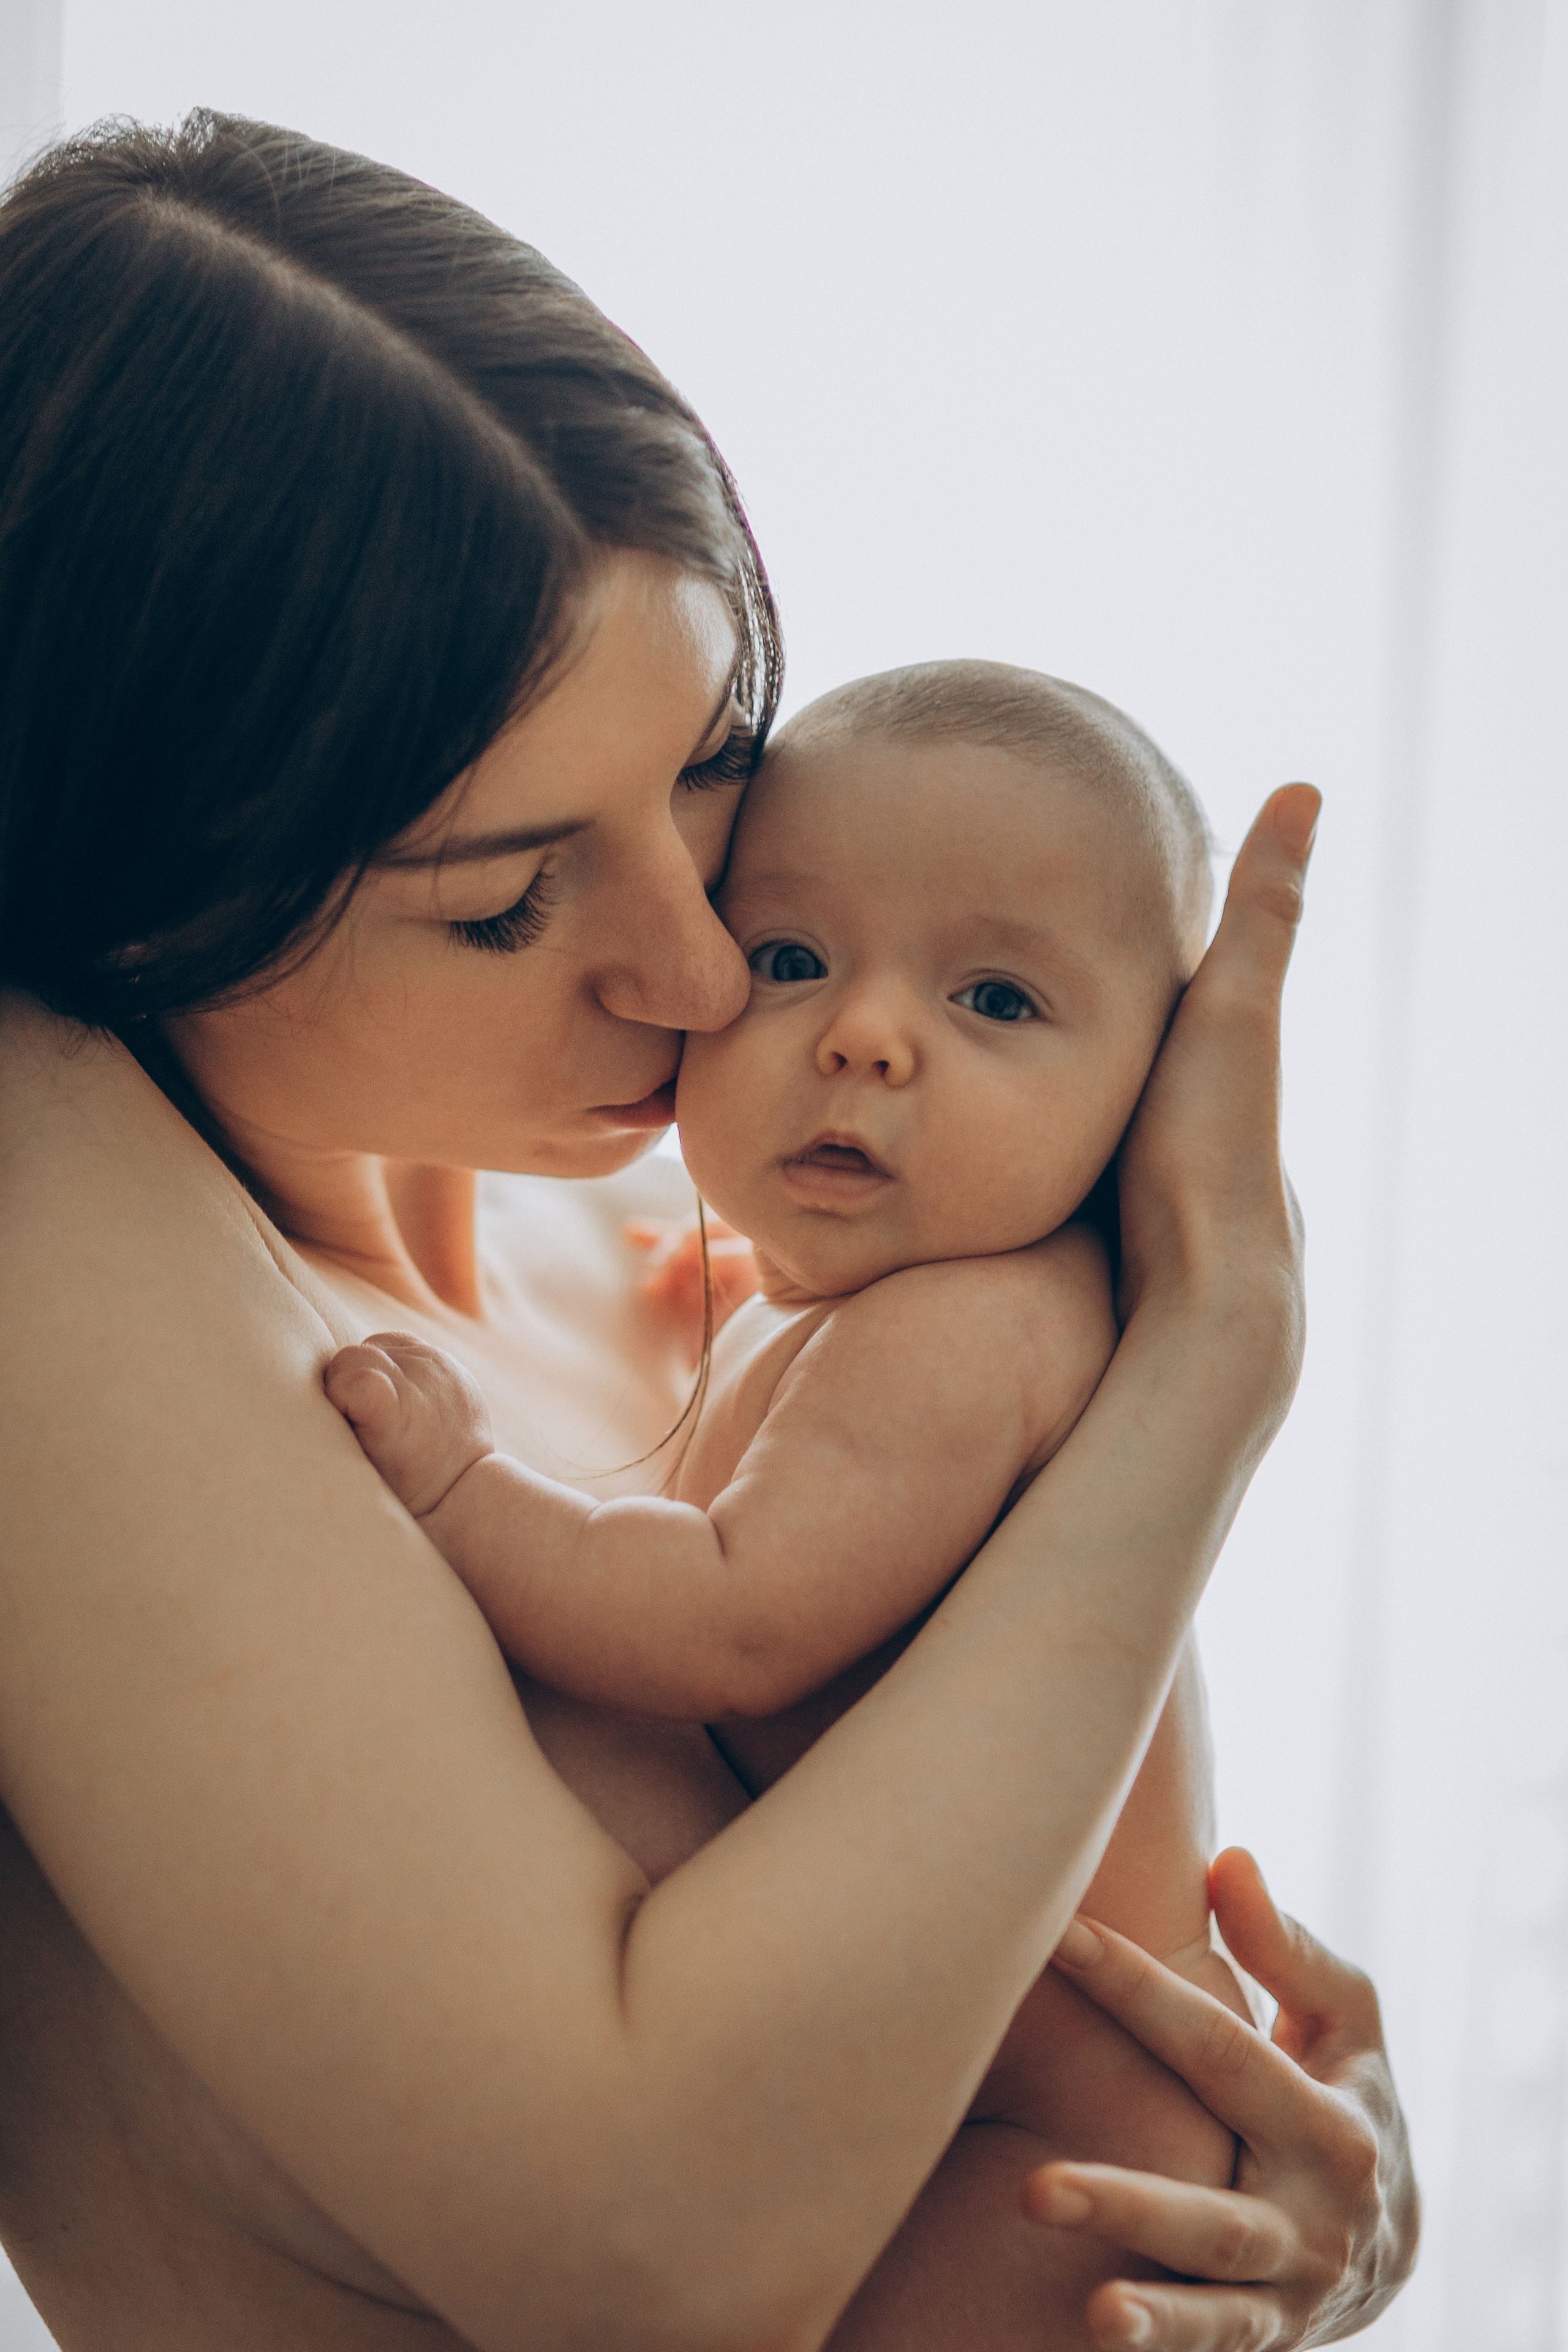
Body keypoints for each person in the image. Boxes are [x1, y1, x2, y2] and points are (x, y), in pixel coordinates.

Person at [0, 110, 1417, 2352]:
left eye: (708, 764)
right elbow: (654, 2263)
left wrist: (1260, 2184)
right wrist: (1208, 1371)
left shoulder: (680, 1227)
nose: (694, 970)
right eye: (508, 899)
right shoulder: (73, 1239)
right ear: (154, 896)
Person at [322, 658, 1270, 2346]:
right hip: (1028, 2113)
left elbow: (732, 1618)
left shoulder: (969, 1336)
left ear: (1150, 1101)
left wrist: (467, 1485)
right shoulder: (868, 1308)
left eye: (995, 1000)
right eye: (787, 959)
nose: (864, 1032)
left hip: (1045, 2153)